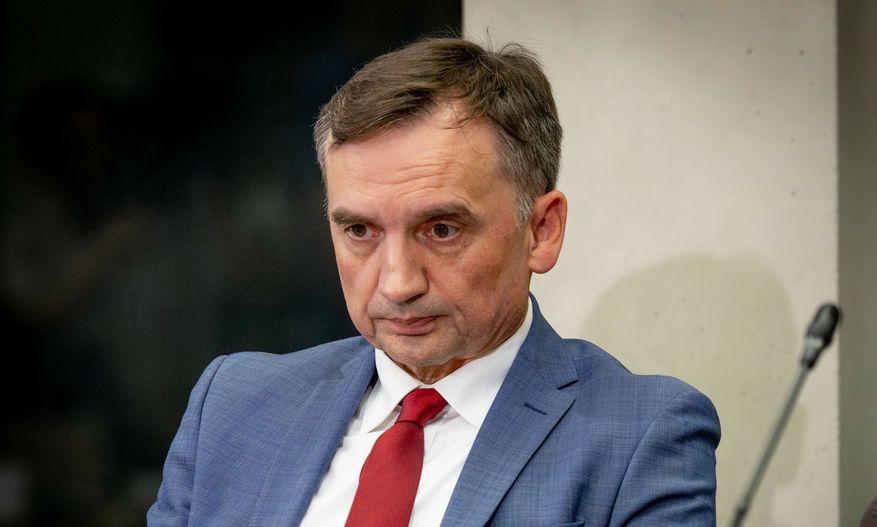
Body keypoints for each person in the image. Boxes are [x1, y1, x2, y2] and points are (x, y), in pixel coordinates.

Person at [147, 37, 720, 526]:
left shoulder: (641, 436)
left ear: (541, 231)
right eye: (360, 230)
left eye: (442, 230)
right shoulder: (234, 404)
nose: (397, 284)